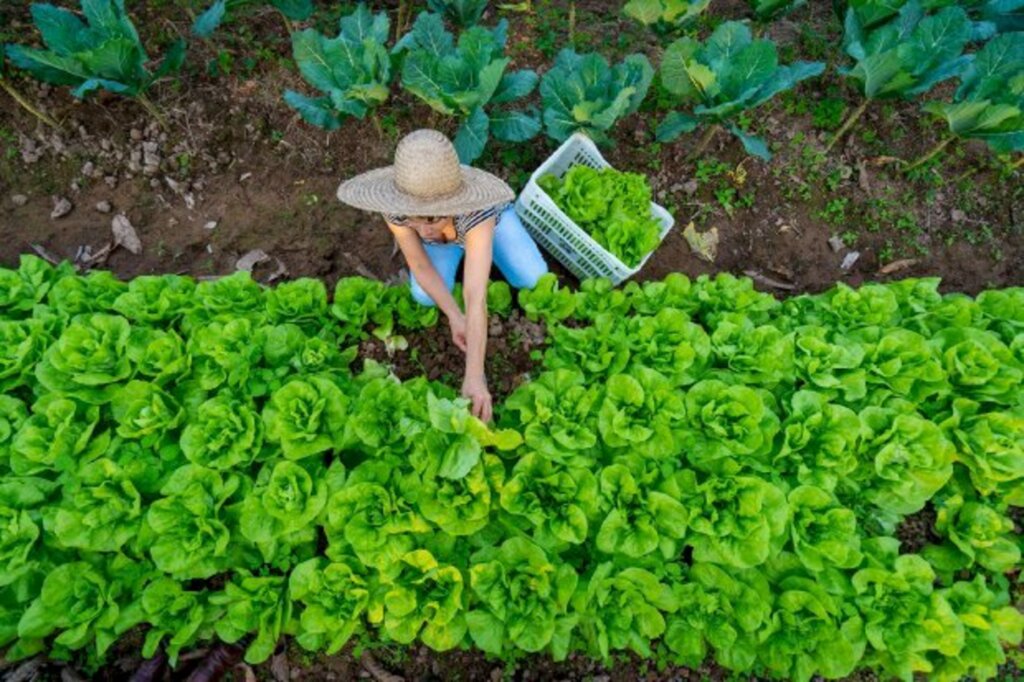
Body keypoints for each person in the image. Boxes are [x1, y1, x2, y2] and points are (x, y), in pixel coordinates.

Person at [336, 129, 548, 422]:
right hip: (444, 244)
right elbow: (419, 264)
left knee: (534, 279)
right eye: (414, 218)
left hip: (486, 228)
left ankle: (487, 251)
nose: (422, 230)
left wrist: (475, 375)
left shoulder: (477, 210)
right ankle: (469, 258)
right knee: (423, 295)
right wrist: (453, 315)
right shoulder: (398, 208)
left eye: (432, 218)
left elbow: (476, 296)